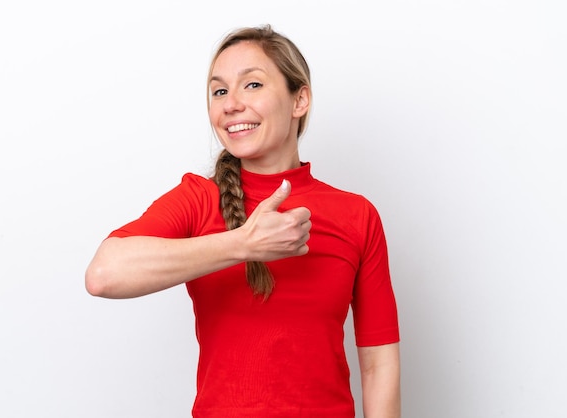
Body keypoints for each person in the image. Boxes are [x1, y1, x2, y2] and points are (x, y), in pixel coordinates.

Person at [86, 24, 400, 418]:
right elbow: (103, 274)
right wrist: (242, 245)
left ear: (299, 98)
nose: (230, 104)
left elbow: (378, 363)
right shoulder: (198, 199)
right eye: (219, 91)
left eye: (252, 85)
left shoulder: (357, 215)